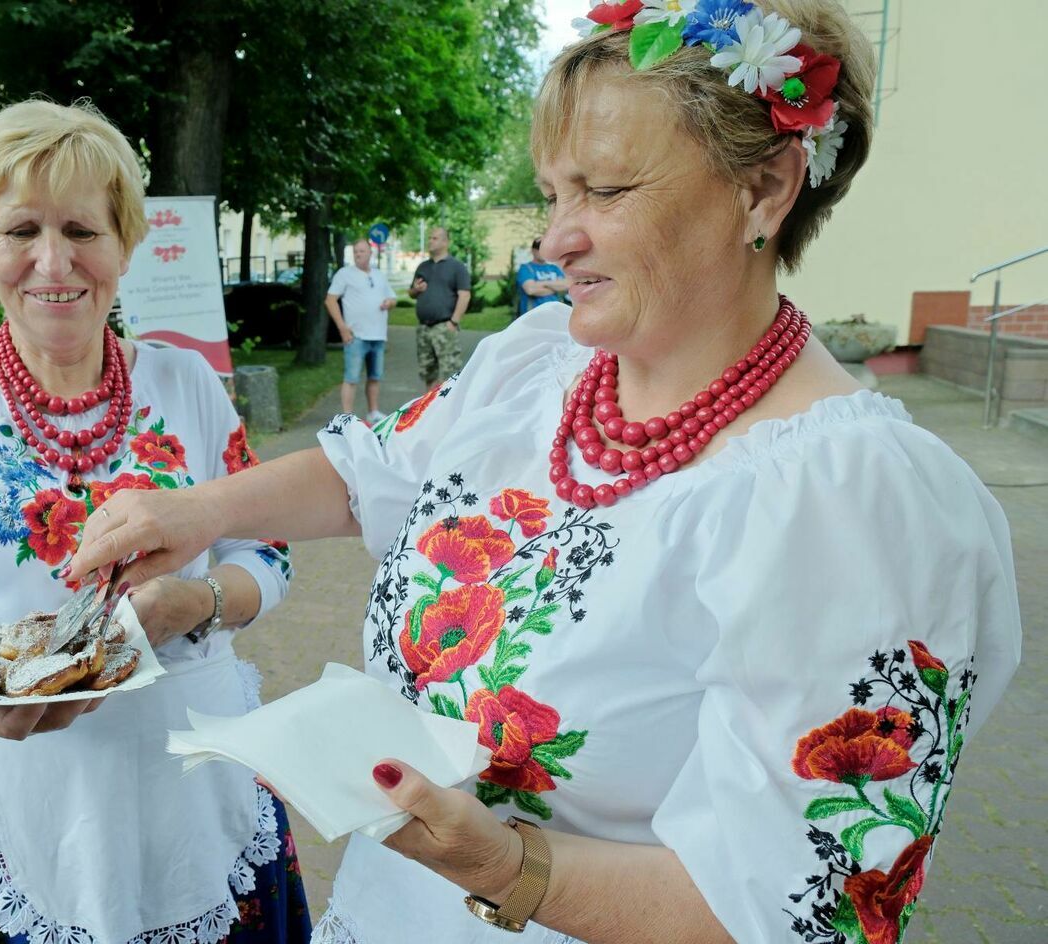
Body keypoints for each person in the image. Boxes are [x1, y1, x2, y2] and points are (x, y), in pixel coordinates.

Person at [65, 3, 1022, 942]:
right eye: (554, 194)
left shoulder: (851, 507)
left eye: (605, 192)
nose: (557, 237)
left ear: (765, 189)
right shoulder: (538, 367)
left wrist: (506, 868)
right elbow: (371, 471)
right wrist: (190, 512)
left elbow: (797, 908)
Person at [0, 99, 310, 944]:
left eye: (82, 229)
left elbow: (269, 552)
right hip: (24, 777)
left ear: (125, 243)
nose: (52, 261)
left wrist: (199, 603)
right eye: (21, 230)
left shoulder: (186, 383)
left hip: (195, 771)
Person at [326, 238, 397, 422]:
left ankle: (373, 412)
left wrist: (388, 302)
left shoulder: (379, 275)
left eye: (362, 251)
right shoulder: (344, 274)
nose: (358, 254)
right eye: (356, 251)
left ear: (370, 253)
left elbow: (392, 298)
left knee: (375, 377)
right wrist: (342, 327)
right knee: (351, 378)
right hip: (356, 336)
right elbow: (330, 300)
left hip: (378, 335)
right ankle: (347, 417)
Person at [408, 226, 470, 388]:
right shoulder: (423, 267)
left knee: (449, 375)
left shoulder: (457, 267)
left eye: (434, 238)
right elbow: (411, 293)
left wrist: (453, 322)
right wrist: (416, 289)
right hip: (424, 329)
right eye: (429, 238)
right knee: (428, 373)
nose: (430, 241)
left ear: (445, 242)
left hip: (444, 327)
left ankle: (448, 411)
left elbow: (464, 295)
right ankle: (429, 410)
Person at [515, 236, 569, 317]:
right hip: (533, 316)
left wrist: (542, 283)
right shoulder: (526, 268)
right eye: (539, 249)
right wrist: (555, 288)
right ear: (533, 251)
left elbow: (567, 285)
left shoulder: (554, 268)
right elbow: (531, 290)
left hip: (555, 314)